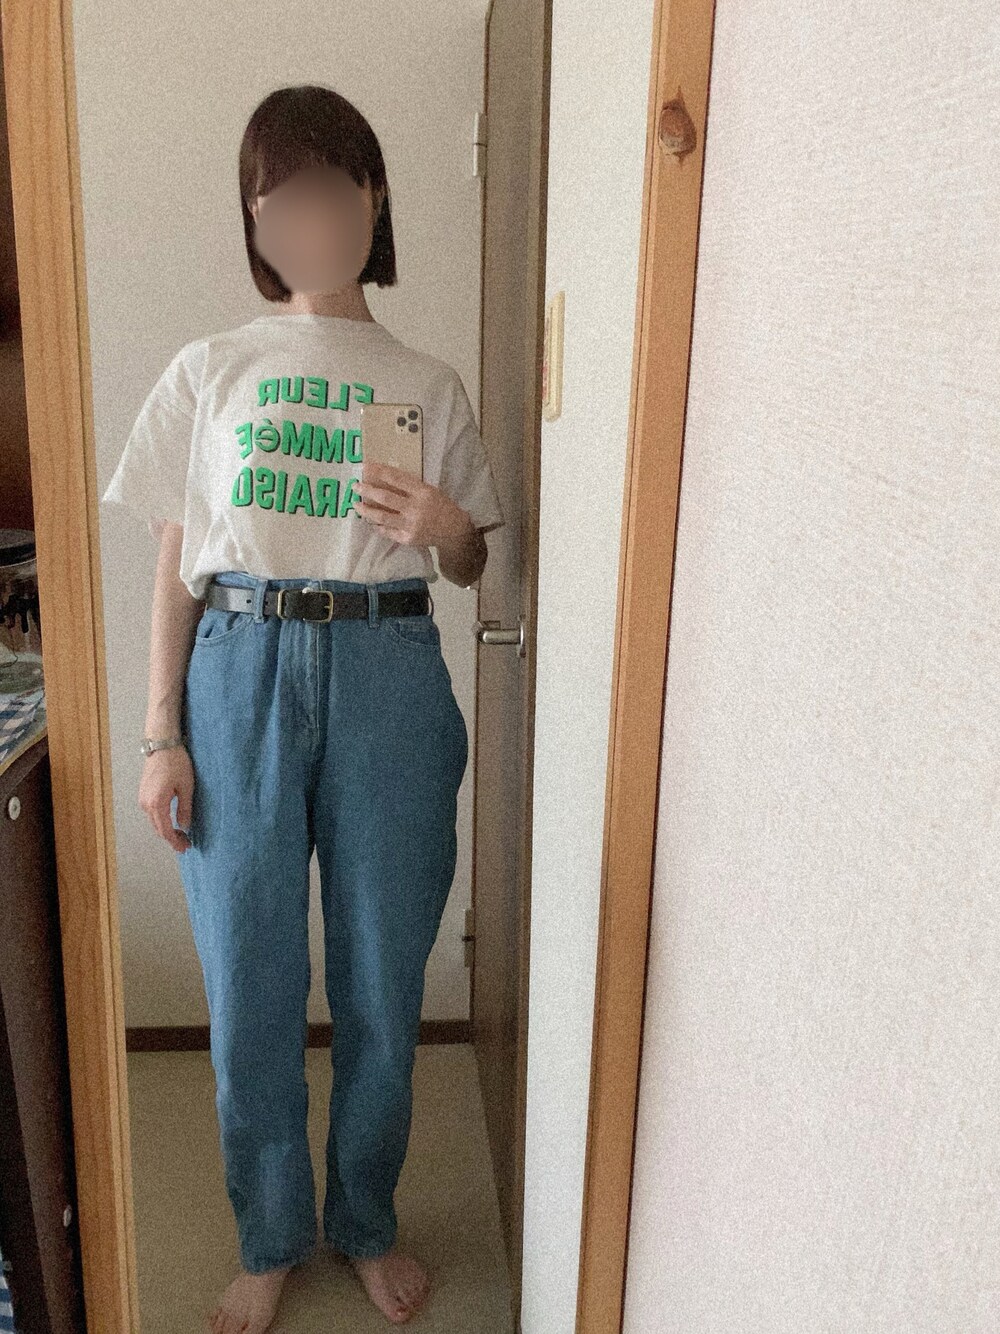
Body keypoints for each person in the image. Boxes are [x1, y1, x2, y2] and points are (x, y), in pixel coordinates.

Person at [100, 83, 506, 1334]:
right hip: (239, 665)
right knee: (250, 973)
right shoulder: (211, 367)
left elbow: (472, 562)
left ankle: (365, 1218)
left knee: (385, 969)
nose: (304, 216)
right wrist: (160, 732)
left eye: (328, 189)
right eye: (275, 199)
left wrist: (447, 527)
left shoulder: (428, 380)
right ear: (256, 221)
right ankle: (271, 1231)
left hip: (388, 661)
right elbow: (179, 554)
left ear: (373, 198)